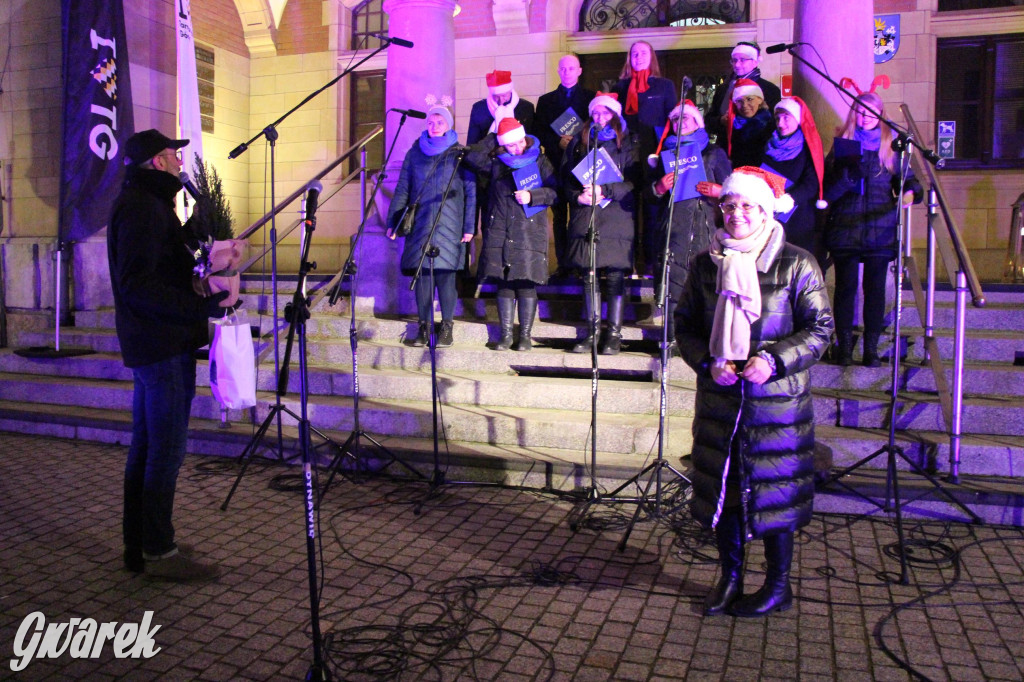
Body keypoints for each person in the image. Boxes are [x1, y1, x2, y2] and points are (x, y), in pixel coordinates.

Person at [675, 167, 833, 617]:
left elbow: (821, 330)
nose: (737, 214)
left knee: (775, 494)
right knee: (726, 493)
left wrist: (774, 359)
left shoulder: (797, 262)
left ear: (764, 209)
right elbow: (684, 326)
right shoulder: (707, 264)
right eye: (729, 205)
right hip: (722, 402)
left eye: (746, 205)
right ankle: (730, 578)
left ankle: (778, 585)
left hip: (777, 404)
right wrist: (709, 362)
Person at [108, 129, 232, 582]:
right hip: (160, 344)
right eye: (173, 157)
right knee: (166, 451)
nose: (181, 163)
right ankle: (159, 550)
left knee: (147, 447)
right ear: (157, 163)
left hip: (156, 343)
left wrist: (194, 241)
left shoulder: (150, 203)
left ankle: (139, 542)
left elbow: (159, 267)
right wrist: (199, 306)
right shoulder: (142, 207)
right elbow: (138, 284)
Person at [824, 91, 922, 367]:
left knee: (875, 289)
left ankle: (870, 349)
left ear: (880, 114)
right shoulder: (843, 144)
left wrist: (911, 193)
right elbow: (829, 187)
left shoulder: (891, 145)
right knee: (846, 288)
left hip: (880, 226)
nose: (865, 116)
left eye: (871, 111)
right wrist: (844, 177)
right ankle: (844, 348)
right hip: (846, 225)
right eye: (860, 110)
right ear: (854, 113)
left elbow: (911, 181)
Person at [387, 106, 476, 348]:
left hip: (451, 223)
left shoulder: (460, 153)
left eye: (440, 122)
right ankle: (424, 327)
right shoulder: (415, 152)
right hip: (422, 223)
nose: (434, 126)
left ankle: (447, 327)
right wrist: (393, 221)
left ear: (449, 125)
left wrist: (469, 226)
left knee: (446, 277)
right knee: (423, 276)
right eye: (430, 122)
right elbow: (403, 188)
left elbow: (470, 191)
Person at [463, 118, 556, 351]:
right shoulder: (495, 163)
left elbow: (556, 191)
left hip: (529, 230)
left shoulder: (539, 159)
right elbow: (470, 156)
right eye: (511, 144)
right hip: (500, 229)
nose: (518, 148)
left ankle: (524, 335)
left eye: (520, 141)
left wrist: (534, 197)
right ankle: (505, 335)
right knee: (503, 283)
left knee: (526, 283)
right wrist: (495, 134)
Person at [646, 100, 731, 351]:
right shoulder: (663, 156)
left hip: (702, 225)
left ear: (698, 123)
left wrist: (719, 190)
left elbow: (733, 190)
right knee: (672, 282)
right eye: (675, 120)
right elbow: (648, 195)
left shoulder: (713, 153)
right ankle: (671, 337)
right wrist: (658, 187)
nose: (680, 123)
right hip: (671, 225)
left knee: (701, 283)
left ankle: (703, 337)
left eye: (686, 119)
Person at [562, 93, 641, 355]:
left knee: (616, 275)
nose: (599, 118)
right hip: (588, 214)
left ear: (616, 116)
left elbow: (635, 182)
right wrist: (578, 196)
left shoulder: (629, 143)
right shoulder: (579, 142)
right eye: (595, 113)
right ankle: (592, 332)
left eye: (606, 113)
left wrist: (605, 189)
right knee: (589, 275)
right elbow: (566, 182)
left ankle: (614, 335)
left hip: (616, 214)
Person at [612, 41, 677, 275]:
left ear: (652, 57)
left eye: (643, 53)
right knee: (626, 209)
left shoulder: (664, 86)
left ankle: (650, 262)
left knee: (652, 210)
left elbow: (672, 121)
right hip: (627, 156)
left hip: (654, 156)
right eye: (634, 53)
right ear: (629, 58)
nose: (638, 56)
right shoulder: (620, 87)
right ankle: (626, 262)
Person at [533, 54, 596, 277]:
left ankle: (580, 262)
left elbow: (596, 126)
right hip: (555, 164)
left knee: (580, 215)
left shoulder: (590, 98)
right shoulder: (546, 100)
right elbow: (538, 131)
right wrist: (556, 141)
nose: (567, 72)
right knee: (559, 216)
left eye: (571, 68)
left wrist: (579, 141)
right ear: (558, 71)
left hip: (581, 164)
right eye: (563, 68)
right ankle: (563, 263)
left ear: (579, 70)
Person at [760, 97, 828, 263]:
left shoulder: (807, 148)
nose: (781, 123)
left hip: (799, 219)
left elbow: (812, 183)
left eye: (786, 117)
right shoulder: (768, 145)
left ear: (797, 119)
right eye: (777, 118)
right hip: (772, 217)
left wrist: (790, 199)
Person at [707, 42, 782, 141]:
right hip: (726, 149)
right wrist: (721, 121)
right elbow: (709, 120)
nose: (737, 65)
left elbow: (773, 124)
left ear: (755, 62)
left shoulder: (769, 89)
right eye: (734, 60)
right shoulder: (724, 89)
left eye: (742, 60)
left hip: (757, 149)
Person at [724, 79, 775, 169]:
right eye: (739, 101)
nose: (744, 105)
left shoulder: (772, 125)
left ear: (760, 100)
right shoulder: (729, 125)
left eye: (749, 99)